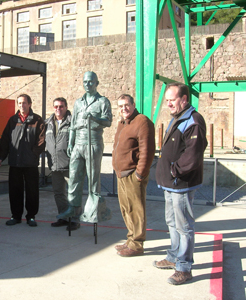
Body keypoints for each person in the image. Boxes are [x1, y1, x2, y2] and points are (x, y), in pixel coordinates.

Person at [154, 82, 207, 285]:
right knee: (172, 222)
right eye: (167, 100)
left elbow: (193, 155)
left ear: (184, 99)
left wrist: (174, 170)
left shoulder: (193, 120)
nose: (168, 104)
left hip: (181, 183)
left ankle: (184, 267)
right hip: (170, 184)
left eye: (172, 100)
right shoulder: (177, 118)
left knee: (184, 226)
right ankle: (174, 256)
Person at [57, 71, 112, 223]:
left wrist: (94, 118)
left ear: (97, 83)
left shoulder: (102, 101)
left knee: (93, 179)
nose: (87, 84)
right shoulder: (78, 102)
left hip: (93, 142)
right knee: (74, 177)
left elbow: (108, 121)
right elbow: (73, 125)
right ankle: (73, 207)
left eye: (91, 82)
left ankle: (94, 210)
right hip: (78, 144)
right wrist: (70, 143)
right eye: (85, 82)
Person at [112, 94, 155, 257]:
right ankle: (131, 239)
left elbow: (147, 150)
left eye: (126, 105)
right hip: (121, 173)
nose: (124, 108)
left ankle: (137, 244)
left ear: (133, 104)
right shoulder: (122, 123)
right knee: (126, 209)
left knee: (136, 210)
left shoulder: (142, 121)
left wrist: (140, 173)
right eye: (121, 106)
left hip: (132, 174)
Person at [0, 94, 45, 227]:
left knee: (32, 191)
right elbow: (6, 140)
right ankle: (16, 216)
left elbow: (41, 141)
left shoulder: (37, 120)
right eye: (19, 103)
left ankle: (31, 216)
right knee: (15, 191)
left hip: (30, 164)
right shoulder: (13, 120)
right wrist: (2, 157)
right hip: (15, 163)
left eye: (24, 103)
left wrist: (33, 154)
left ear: (29, 104)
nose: (21, 106)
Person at [45, 97, 76, 229]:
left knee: (73, 194)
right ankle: (63, 217)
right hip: (55, 165)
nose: (58, 109)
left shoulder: (73, 122)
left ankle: (74, 220)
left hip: (70, 165)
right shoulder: (47, 123)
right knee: (58, 193)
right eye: (56, 106)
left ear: (66, 107)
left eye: (61, 106)